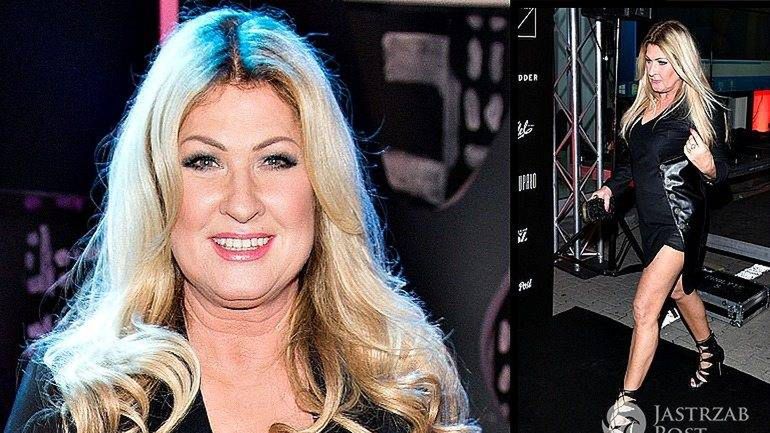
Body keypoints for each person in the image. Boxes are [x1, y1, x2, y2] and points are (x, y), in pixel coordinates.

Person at [4, 7, 479, 433]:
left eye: (275, 160)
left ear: (322, 186)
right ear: (157, 187)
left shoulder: (403, 390)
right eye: (204, 162)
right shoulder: (79, 402)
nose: (242, 202)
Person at [592, 20, 730, 429]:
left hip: (681, 219)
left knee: (644, 306)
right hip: (651, 221)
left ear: (682, 63)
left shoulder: (698, 108)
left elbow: (721, 171)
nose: (653, 71)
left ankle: (626, 404)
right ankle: (710, 350)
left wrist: (707, 165)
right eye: (649, 61)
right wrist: (609, 189)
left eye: (663, 62)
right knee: (680, 290)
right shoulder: (641, 107)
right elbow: (628, 167)